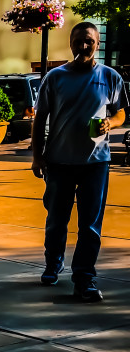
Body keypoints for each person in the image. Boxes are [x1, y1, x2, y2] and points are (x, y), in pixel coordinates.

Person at [31, 21, 127, 301]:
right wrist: (37, 156)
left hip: (96, 163)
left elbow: (121, 113)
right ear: (70, 43)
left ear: (98, 44)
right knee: (57, 220)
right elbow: (40, 120)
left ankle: (84, 279)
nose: (83, 46)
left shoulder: (110, 77)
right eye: (78, 41)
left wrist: (110, 122)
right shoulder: (55, 78)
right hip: (59, 162)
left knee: (90, 225)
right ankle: (53, 262)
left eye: (89, 41)